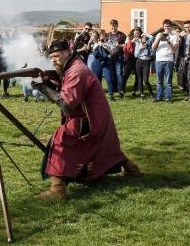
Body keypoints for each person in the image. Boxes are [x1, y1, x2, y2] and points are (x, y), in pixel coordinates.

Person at [35, 40, 141, 199]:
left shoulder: (77, 71)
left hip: (90, 119)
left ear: (67, 52)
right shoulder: (71, 66)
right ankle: (132, 169)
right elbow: (64, 88)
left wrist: (42, 88)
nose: (53, 60)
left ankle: (57, 190)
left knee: (61, 140)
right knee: (105, 149)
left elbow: (66, 105)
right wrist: (48, 82)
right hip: (92, 116)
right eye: (51, 57)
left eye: (56, 56)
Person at [151, 20, 179, 102]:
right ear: (163, 27)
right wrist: (158, 39)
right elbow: (153, 47)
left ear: (171, 27)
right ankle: (159, 97)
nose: (167, 28)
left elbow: (174, 50)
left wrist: (168, 41)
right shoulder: (159, 34)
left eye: (168, 26)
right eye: (165, 26)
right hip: (159, 60)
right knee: (159, 81)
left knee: (168, 81)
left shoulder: (175, 36)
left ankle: (168, 97)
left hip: (169, 60)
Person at [107, 19, 127, 98]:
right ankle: (114, 89)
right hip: (110, 57)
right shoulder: (107, 35)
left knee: (119, 74)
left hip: (119, 57)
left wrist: (119, 45)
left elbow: (126, 45)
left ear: (117, 26)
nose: (113, 28)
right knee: (111, 74)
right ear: (110, 26)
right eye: (112, 26)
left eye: (114, 26)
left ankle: (121, 90)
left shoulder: (122, 35)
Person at [133, 30, 153, 99]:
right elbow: (135, 55)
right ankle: (142, 94)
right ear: (141, 38)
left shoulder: (148, 43)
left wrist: (146, 33)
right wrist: (140, 48)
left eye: (145, 38)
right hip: (139, 61)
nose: (144, 39)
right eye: (143, 37)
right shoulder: (138, 44)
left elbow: (152, 38)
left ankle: (151, 94)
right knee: (139, 79)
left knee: (146, 80)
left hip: (146, 62)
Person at [120, 28, 141, 96]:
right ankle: (122, 90)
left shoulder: (141, 39)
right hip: (130, 58)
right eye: (135, 33)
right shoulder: (129, 39)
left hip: (138, 59)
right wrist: (131, 41)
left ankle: (134, 91)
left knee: (138, 76)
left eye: (137, 33)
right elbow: (125, 48)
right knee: (126, 74)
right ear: (133, 33)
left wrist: (140, 41)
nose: (136, 35)